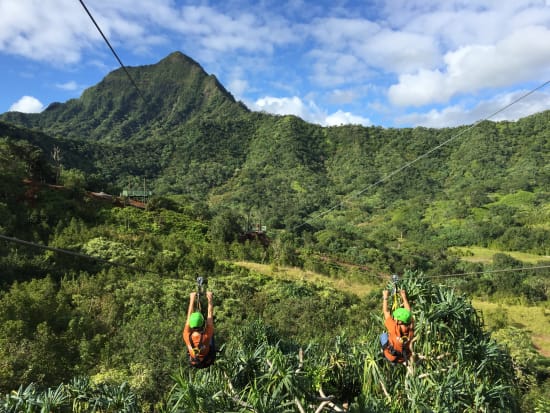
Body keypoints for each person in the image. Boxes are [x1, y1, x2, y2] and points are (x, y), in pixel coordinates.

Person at [183, 290, 216, 368]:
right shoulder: (206, 336)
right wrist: (210, 299)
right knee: (211, 333)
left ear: (191, 323)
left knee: (210, 331)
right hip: (207, 360)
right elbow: (210, 315)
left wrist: (192, 299)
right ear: (202, 323)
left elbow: (189, 317)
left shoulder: (186, 335)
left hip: (194, 361)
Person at [380, 288, 414, 364]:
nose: (394, 318)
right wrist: (404, 297)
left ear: (399, 321)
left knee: (383, 335)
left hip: (391, 357)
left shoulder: (393, 328)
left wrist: (385, 297)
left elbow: (385, 312)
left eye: (395, 317)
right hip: (404, 357)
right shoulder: (411, 326)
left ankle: (390, 359)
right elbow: (408, 312)